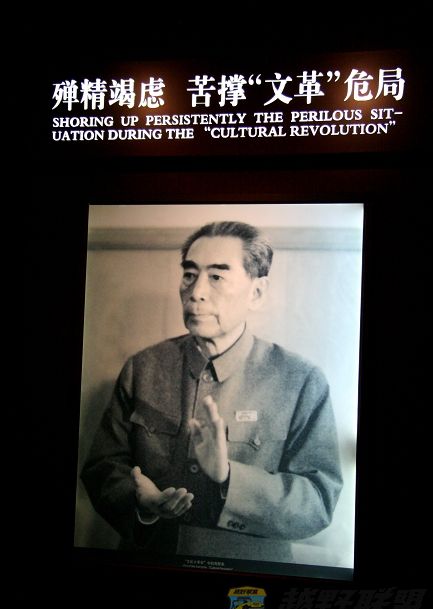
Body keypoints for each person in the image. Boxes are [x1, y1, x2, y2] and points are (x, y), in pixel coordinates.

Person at [81, 220, 343, 563]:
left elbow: (319, 501)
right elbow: (102, 467)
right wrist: (141, 504)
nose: (196, 291)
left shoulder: (301, 380)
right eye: (190, 274)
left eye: (217, 276)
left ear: (257, 292)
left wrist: (230, 478)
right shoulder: (142, 368)